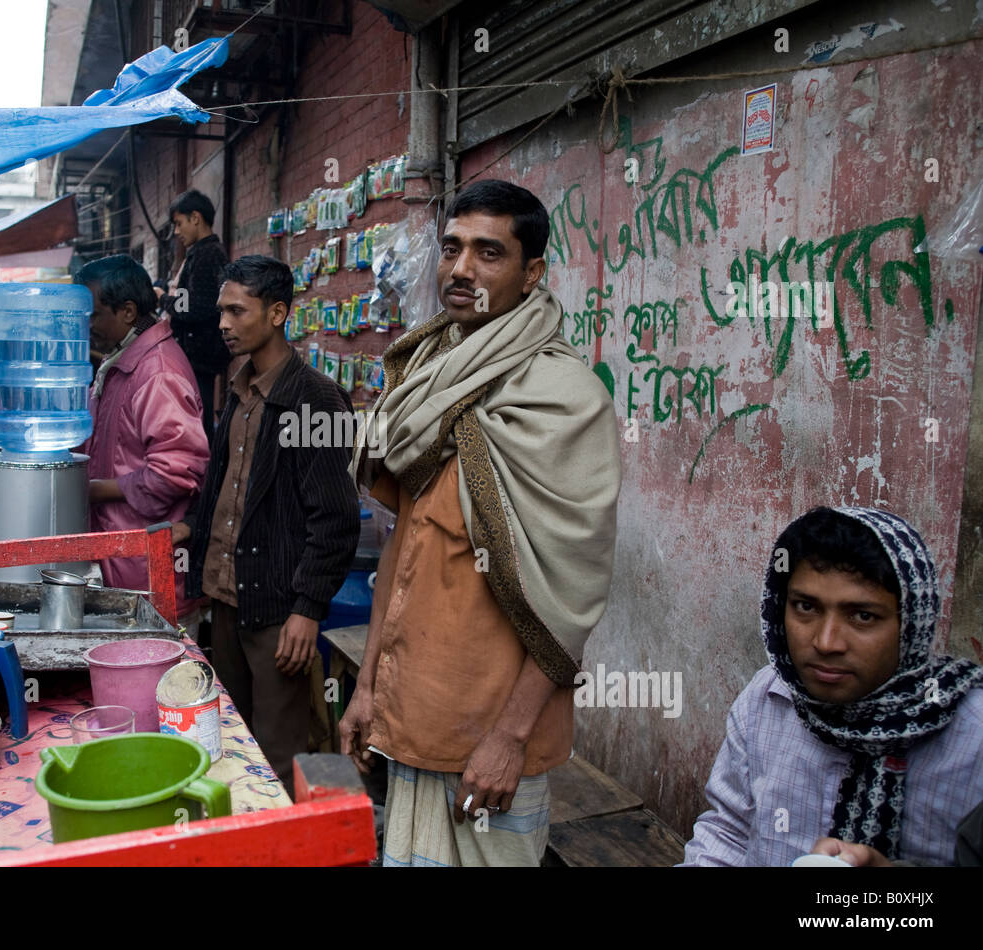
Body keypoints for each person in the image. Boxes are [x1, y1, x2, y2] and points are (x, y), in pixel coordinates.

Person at [339, 180, 623, 867]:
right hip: (413, 714)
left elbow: (570, 599)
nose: (461, 270)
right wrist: (368, 686)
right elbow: (403, 556)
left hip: (493, 744)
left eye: (488, 253)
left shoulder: (564, 400)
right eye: (452, 248)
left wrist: (510, 738)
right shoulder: (426, 378)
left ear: (531, 273)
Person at [681, 506, 983, 867]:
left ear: (911, 625)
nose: (826, 642)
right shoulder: (768, 698)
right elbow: (728, 832)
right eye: (806, 607)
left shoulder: (973, 738)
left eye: (863, 616)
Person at [177, 255, 359, 795]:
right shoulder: (239, 390)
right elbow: (221, 483)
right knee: (231, 742)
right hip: (228, 598)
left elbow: (336, 518)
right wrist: (190, 529)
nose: (224, 325)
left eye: (238, 311)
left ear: (277, 312)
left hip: (279, 609)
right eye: (220, 312)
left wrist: (307, 609)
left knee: (278, 757)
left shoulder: (315, 399)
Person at [74, 255, 208, 605]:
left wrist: (92, 491)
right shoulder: (119, 361)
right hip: (121, 562)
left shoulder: (158, 373)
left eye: (92, 315)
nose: (84, 325)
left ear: (128, 312)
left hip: (148, 574)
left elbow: (175, 475)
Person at [166, 189, 231, 436]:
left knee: (198, 425)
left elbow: (193, 308)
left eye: (179, 223)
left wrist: (164, 301)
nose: (176, 232)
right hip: (196, 356)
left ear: (196, 217)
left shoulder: (208, 254)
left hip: (201, 357)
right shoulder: (199, 253)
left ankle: (204, 472)